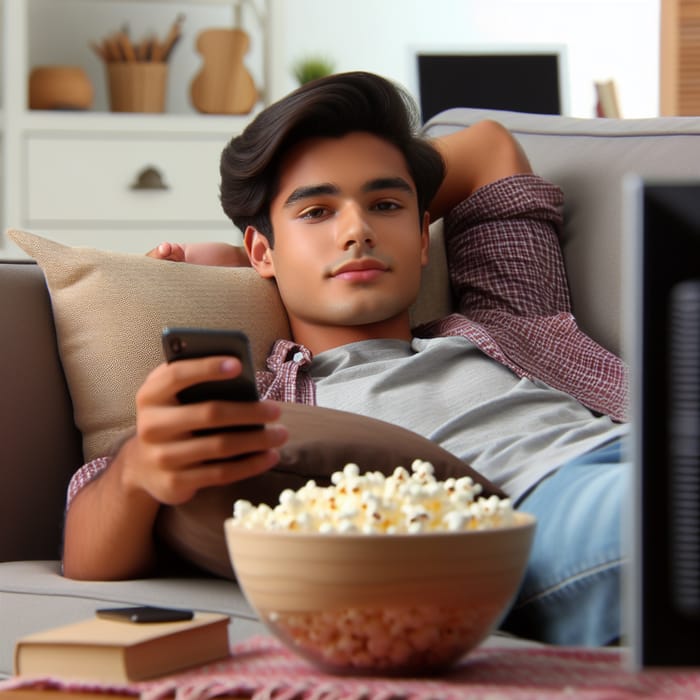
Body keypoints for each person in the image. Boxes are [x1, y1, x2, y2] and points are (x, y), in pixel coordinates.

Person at [62, 71, 629, 647]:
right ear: (264, 250)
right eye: (316, 212)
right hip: (538, 512)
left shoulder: (509, 316)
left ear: (423, 237)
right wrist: (133, 473)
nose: (357, 231)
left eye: (384, 204)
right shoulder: (272, 402)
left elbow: (489, 148)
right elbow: (90, 551)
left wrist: (264, 248)